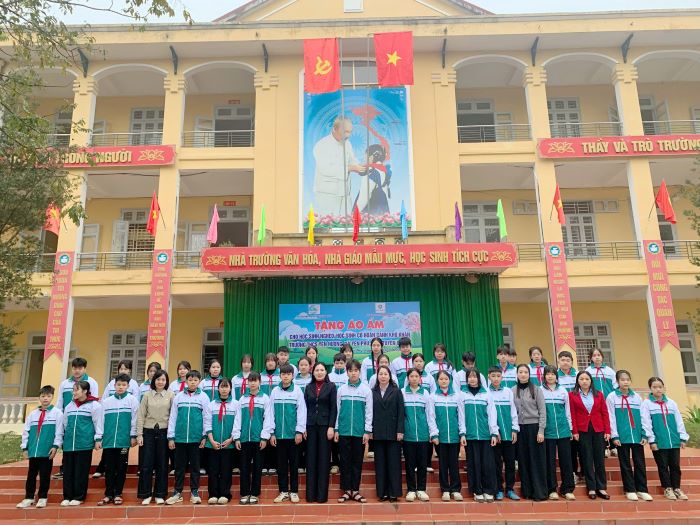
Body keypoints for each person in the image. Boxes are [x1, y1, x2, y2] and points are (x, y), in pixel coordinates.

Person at [166, 370, 211, 505]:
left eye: (195, 380)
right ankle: (177, 492)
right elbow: (173, 417)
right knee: (179, 467)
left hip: (196, 439)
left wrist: (204, 436)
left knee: (195, 467)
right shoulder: (179, 397)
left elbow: (207, 417)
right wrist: (171, 437)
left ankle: (194, 492)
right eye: (190, 380)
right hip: (180, 438)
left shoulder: (204, 397)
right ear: (186, 381)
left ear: (199, 381)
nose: (192, 382)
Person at [607, 370, 652, 502]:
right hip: (622, 436)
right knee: (625, 464)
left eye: (627, 379)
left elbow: (644, 417)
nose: (625, 382)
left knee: (640, 463)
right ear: (617, 382)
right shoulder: (612, 397)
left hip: (637, 435)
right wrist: (614, 436)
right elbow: (611, 417)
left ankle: (642, 489)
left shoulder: (637, 397)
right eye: (622, 380)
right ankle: (630, 489)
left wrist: (645, 433)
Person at [642, 376, 689, 501]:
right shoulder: (647, 404)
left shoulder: (672, 403)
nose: (658, 389)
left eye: (660, 387)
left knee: (675, 466)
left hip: (673, 440)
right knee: (662, 466)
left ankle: (677, 488)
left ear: (664, 388)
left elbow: (679, 421)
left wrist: (682, 438)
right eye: (654, 387)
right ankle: (668, 488)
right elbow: (646, 422)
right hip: (659, 442)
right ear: (650, 389)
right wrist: (652, 440)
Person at [16, 385, 62, 509]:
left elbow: (59, 432)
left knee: (45, 475)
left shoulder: (57, 413)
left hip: (46, 451)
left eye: (48, 396)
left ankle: (42, 497)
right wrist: (25, 448)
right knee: (31, 475)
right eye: (43, 396)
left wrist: (55, 446)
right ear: (39, 397)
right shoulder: (32, 414)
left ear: (52, 397)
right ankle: (29, 497)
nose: (45, 398)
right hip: (33, 451)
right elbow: (26, 432)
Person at [58, 380, 103, 506]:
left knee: (81, 471)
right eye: (73, 390)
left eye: (76, 390)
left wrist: (98, 439)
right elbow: (65, 423)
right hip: (69, 444)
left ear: (85, 391)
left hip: (84, 443)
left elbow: (98, 423)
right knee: (68, 471)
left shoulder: (95, 405)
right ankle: (67, 496)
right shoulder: (69, 406)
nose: (74, 392)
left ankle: (79, 496)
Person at [54, 357, 99, 480]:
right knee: (68, 446)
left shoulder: (91, 382)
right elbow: (60, 402)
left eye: (80, 368)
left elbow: (94, 400)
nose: (77, 371)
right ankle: (64, 469)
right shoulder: (64, 384)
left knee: (82, 450)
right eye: (74, 368)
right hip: (68, 418)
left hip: (84, 419)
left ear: (84, 369)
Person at [93, 361, 139, 480]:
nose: (123, 371)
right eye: (121, 368)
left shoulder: (133, 387)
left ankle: (118, 490)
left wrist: (133, 435)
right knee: (109, 461)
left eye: (126, 369)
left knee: (121, 464)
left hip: (124, 432)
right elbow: (103, 407)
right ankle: (105, 480)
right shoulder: (110, 388)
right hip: (110, 430)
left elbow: (135, 414)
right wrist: (99, 437)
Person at [233, 371, 274, 505]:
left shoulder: (265, 398)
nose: (252, 383)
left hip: (258, 439)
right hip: (244, 439)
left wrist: (264, 437)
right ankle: (245, 493)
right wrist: (237, 437)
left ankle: (255, 493)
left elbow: (268, 419)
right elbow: (238, 419)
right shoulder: (242, 399)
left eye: (255, 380)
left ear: (259, 382)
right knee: (244, 467)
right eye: (250, 380)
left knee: (257, 467)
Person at [98, 373, 139, 506]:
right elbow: (100, 421)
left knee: (121, 468)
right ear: (114, 385)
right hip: (109, 441)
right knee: (109, 468)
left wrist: (133, 436)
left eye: (124, 385)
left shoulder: (132, 401)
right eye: (118, 385)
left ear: (128, 386)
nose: (121, 387)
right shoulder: (106, 402)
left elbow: (135, 420)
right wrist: (99, 437)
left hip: (124, 441)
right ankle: (108, 494)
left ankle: (118, 494)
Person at [335, 359, 373, 503]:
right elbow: (338, 411)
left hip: (359, 432)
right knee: (344, 461)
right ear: (347, 372)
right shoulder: (341, 390)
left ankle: (355, 490)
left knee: (357, 461)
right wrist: (337, 429)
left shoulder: (366, 390)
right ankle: (346, 491)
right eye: (350, 371)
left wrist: (367, 431)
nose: (353, 373)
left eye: (356, 371)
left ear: (360, 372)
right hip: (344, 431)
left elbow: (369, 412)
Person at [569, 370, 610, 500]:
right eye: (581, 379)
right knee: (587, 458)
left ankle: (601, 487)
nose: (584, 381)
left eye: (587, 379)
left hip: (598, 428)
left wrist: (607, 431)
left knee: (599, 459)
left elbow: (604, 413)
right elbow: (572, 414)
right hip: (583, 430)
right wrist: (575, 431)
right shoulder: (572, 395)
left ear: (591, 381)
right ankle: (591, 487)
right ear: (577, 381)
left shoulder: (599, 394)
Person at [312, 116, 364, 217]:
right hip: (327, 194)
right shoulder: (322, 145)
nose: (348, 135)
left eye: (350, 132)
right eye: (345, 132)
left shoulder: (347, 143)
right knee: (329, 222)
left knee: (346, 222)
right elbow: (326, 169)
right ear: (334, 129)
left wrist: (361, 166)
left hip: (344, 192)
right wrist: (351, 168)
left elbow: (352, 160)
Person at [269, 364, 307, 503]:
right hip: (279, 435)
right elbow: (270, 413)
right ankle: (283, 491)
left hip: (293, 436)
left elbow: (302, 412)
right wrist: (272, 433)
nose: (286, 376)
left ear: (292, 376)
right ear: (280, 375)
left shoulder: (297, 391)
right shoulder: (275, 391)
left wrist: (299, 431)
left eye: (288, 374)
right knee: (281, 465)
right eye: (283, 374)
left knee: (294, 465)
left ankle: (294, 491)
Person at [137, 369, 173, 505]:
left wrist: (171, 436)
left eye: (163, 379)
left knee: (162, 465)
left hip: (164, 432)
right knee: (146, 464)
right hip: (148, 432)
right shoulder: (147, 395)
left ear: (166, 381)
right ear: (154, 381)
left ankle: (160, 494)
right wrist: (139, 434)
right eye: (158, 379)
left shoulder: (171, 395)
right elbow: (141, 415)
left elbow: (173, 416)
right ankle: (145, 494)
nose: (160, 382)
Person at [462, 367, 498, 503]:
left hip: (485, 435)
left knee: (487, 464)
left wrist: (494, 433)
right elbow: (461, 416)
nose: (472, 379)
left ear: (479, 378)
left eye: (474, 376)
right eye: (470, 377)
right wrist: (463, 433)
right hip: (470, 435)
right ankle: (477, 491)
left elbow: (492, 414)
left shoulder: (486, 394)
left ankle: (489, 490)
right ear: (467, 379)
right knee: (474, 464)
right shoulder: (462, 394)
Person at [512, 364, 547, 501]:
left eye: (525, 372)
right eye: (520, 372)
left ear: (529, 374)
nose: (523, 374)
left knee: (536, 461)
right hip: (520, 429)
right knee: (523, 460)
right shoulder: (512, 390)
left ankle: (539, 492)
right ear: (517, 374)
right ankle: (527, 491)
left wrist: (541, 430)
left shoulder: (536, 389)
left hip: (534, 428)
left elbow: (542, 411)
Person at [402, 368, 438, 502]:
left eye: (416, 376)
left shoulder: (425, 393)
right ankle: (411, 490)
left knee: (422, 464)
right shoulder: (402, 393)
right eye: (411, 376)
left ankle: (421, 489)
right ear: (408, 378)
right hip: (408, 435)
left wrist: (432, 432)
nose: (414, 378)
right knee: (410, 464)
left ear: (420, 378)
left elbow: (430, 414)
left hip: (423, 434)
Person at [304, 362, 337, 503]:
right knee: (311, 459)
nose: (319, 372)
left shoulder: (331, 387)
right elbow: (304, 408)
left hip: (325, 427)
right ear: (313, 372)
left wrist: (331, 426)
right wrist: (303, 427)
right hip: (310, 426)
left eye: (322, 370)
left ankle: (322, 496)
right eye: (317, 370)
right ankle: (310, 495)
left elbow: (334, 408)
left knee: (324, 460)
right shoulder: (308, 387)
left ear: (326, 372)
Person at [541, 365, 575, 501]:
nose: (550, 376)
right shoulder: (539, 390)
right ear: (544, 376)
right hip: (547, 431)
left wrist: (570, 428)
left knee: (566, 461)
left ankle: (567, 489)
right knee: (549, 462)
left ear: (556, 376)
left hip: (563, 430)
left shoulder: (563, 390)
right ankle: (552, 489)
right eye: (547, 374)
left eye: (553, 374)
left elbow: (568, 411)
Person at [371, 365, 404, 502]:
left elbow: (401, 412)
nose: (383, 376)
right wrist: (370, 430)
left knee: (394, 463)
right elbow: (369, 412)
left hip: (393, 432)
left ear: (390, 376)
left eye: (385, 374)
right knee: (380, 464)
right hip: (378, 433)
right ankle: (382, 492)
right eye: (381, 374)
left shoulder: (396, 391)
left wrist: (400, 430)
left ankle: (394, 492)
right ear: (377, 376)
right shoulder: (372, 392)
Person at [432, 370, 466, 501]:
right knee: (443, 464)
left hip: (454, 436)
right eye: (441, 379)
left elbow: (461, 416)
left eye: (446, 379)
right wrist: (434, 434)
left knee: (454, 463)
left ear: (450, 380)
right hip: (440, 437)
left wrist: (462, 433)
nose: (444, 381)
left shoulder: (457, 396)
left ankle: (456, 489)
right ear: (437, 381)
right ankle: (445, 489)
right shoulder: (433, 397)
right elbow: (431, 417)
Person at [487, 366, 519, 501]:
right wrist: (494, 431)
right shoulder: (486, 392)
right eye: (493, 376)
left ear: (502, 377)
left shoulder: (508, 391)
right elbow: (488, 415)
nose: (496, 378)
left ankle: (510, 489)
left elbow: (513, 411)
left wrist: (514, 429)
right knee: (497, 464)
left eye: (498, 376)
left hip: (509, 433)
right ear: (489, 376)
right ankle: (499, 489)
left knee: (510, 462)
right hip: (495, 436)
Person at [206, 378, 237, 505]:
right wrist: (211, 440)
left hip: (229, 444)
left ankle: (225, 494)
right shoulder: (211, 404)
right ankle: (213, 494)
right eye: (222, 386)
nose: (224, 389)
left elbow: (237, 424)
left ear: (230, 388)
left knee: (226, 470)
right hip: (212, 444)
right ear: (218, 389)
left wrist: (231, 439)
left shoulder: (236, 404)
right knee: (213, 470)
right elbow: (207, 423)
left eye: (226, 386)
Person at [557, 350, 580, 482]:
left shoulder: (577, 375)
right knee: (570, 446)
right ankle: (573, 472)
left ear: (572, 362)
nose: (565, 362)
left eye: (568, 360)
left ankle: (584, 472)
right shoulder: (556, 376)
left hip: (579, 412)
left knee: (581, 445)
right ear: (558, 361)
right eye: (563, 360)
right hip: (564, 413)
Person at [200, 358, 225, 475]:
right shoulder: (203, 383)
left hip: (220, 413)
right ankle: (204, 465)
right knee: (206, 438)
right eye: (213, 367)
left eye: (218, 367)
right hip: (206, 414)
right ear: (209, 369)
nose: (215, 369)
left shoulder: (224, 382)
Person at [354, 143, 391, 216]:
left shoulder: (371, 172)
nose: (365, 160)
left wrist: (354, 214)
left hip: (371, 213)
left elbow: (364, 198)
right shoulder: (384, 171)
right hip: (382, 212)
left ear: (371, 157)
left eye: (365, 157)